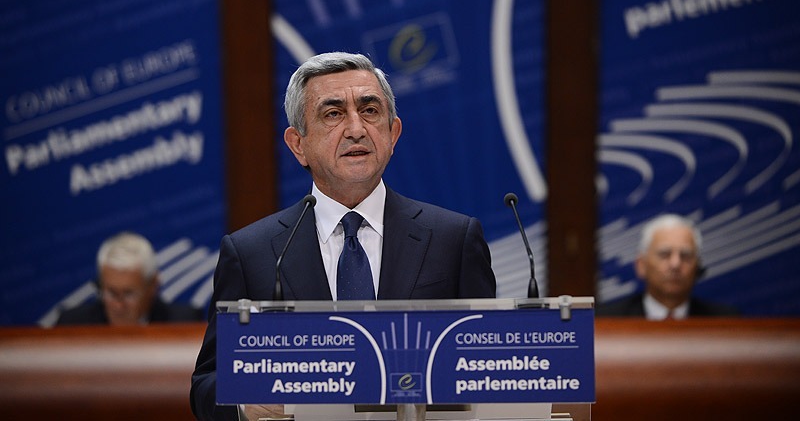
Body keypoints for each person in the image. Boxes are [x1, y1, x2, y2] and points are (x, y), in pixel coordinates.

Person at [190, 52, 496, 421]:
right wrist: (244, 404)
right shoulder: (253, 253)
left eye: (369, 110)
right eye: (333, 114)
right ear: (297, 144)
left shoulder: (453, 239)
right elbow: (207, 382)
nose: (356, 128)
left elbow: (485, 365)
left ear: (392, 132)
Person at [596, 214, 738, 319]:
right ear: (641, 265)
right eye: (664, 254)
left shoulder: (724, 321)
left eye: (685, 255)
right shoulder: (608, 320)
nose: (675, 264)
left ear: (697, 266)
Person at [56, 231, 203, 326]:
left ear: (153, 286)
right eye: (111, 293)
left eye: (128, 294)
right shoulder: (73, 324)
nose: (118, 306)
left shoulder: (183, 324)